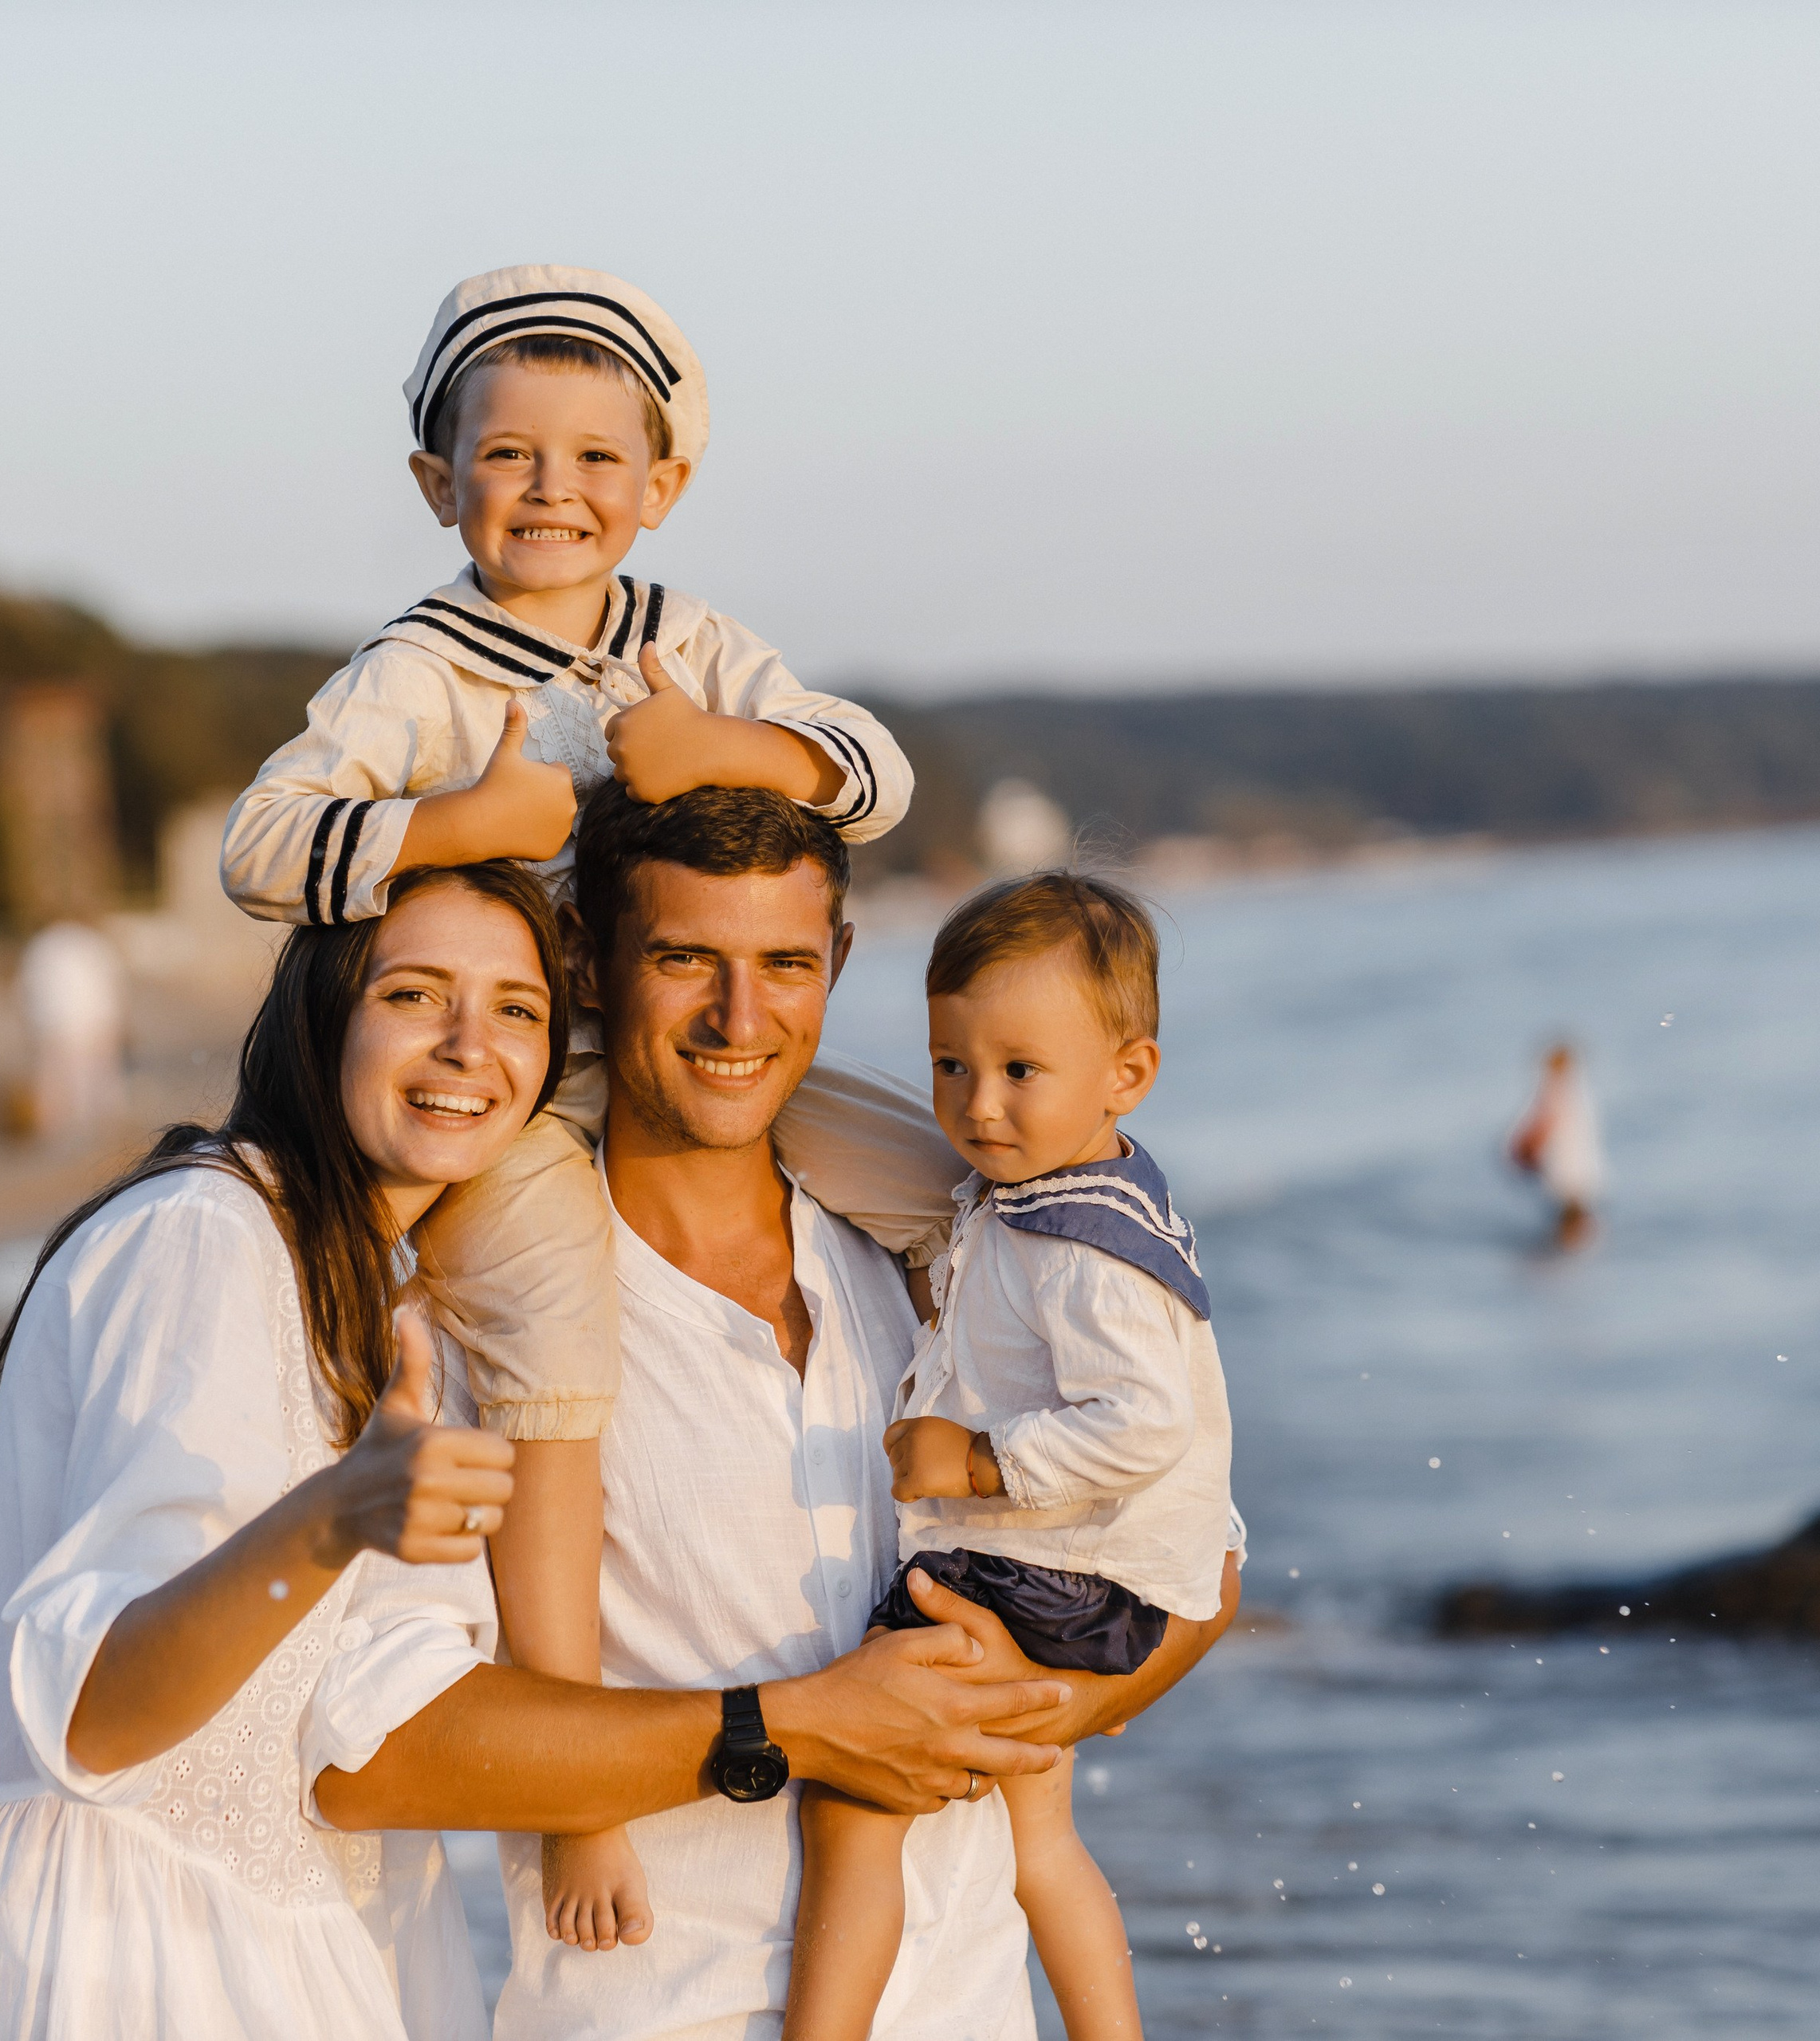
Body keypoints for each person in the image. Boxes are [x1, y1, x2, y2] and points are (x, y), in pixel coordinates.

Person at [218, 265, 961, 1944]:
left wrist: (723, 744)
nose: (553, 494)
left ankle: (996, 1502)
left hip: (684, 1036)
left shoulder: (682, 639)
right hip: (524, 1087)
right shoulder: (416, 668)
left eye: (595, 461)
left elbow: (870, 766)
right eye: (508, 458)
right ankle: (576, 1776)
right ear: (438, 484)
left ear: (662, 485)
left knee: (947, 1188)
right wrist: (456, 813)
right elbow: (261, 847)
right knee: (564, 1352)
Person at [310, 784, 1241, 2039]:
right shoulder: (477, 1320)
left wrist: (1020, 1716)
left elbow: (1207, 1567)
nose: (740, 1018)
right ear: (589, 962)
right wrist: (797, 1732)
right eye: (686, 958)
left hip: (971, 2007)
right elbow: (369, 1757)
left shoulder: (949, 1265)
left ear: (839, 963)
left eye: (786, 964)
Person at [0, 862, 569, 2039]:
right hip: (135, 1960)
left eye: (518, 1009)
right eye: (416, 995)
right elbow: (96, 1710)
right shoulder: (205, 1237)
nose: (473, 1045)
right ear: (323, 1016)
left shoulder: (393, 1292)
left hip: (296, 1947)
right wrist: (330, 1518)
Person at [785, 874, 1239, 2041]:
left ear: (1126, 1075)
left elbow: (1145, 1424)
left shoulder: (1080, 1248)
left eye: (1019, 1072)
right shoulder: (1072, 1188)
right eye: (950, 1067)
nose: (978, 1107)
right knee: (1043, 1838)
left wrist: (975, 1460)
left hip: (1039, 1578)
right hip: (1097, 1585)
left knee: (852, 1805)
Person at [17, 919, 125, 1142]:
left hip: (61, 1025)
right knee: (88, 1082)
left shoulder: (45, 944)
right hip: (87, 1022)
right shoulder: (90, 942)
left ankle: (76, 1137)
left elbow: (27, 991)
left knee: (67, 1083)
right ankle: (82, 1137)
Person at [1507, 1041, 1605, 1251]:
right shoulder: (1580, 1095)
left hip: (1566, 1186)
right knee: (1578, 1241)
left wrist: (1522, 1158)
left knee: (1565, 1244)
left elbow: (1531, 1142)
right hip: (1584, 1183)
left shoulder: (1555, 1096)